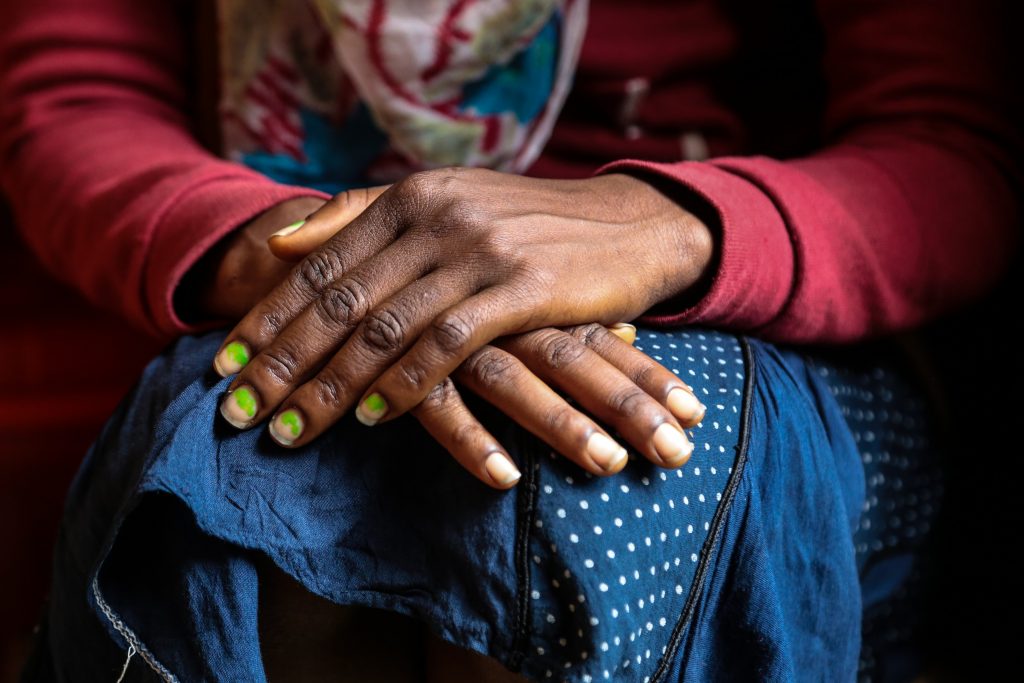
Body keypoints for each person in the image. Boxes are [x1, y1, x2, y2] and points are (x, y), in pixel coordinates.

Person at [0, 0, 1018, 681]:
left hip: (722, 287)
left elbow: (953, 150)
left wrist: (666, 227)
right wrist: (328, 261)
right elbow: (80, 93)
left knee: (596, 482)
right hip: (273, 258)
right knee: (251, 471)